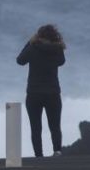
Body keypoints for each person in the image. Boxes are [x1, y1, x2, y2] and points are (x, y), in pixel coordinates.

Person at [16, 24, 66, 157]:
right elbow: (61, 62)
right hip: (53, 93)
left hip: (34, 93)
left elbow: (20, 60)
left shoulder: (33, 48)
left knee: (36, 127)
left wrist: (29, 43)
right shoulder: (57, 49)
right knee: (55, 125)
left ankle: (39, 155)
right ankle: (57, 151)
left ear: (39, 36)